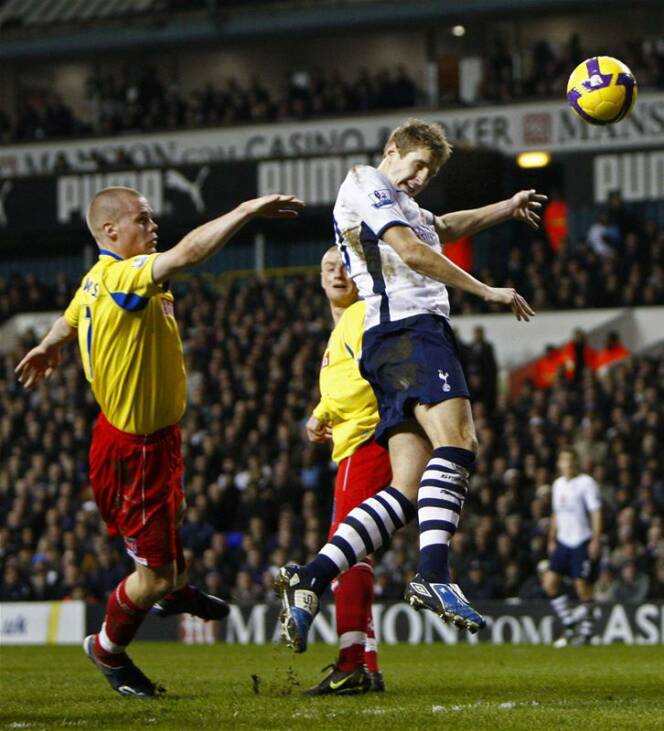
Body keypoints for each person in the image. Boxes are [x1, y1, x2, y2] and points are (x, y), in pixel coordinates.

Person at [15, 186, 302, 697]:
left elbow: (73, 312)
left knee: (175, 524)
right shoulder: (125, 276)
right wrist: (242, 209)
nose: (153, 228)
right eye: (143, 220)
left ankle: (175, 589)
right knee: (152, 574)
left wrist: (47, 344)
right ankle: (107, 648)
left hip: (158, 439)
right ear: (111, 232)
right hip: (135, 449)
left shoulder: (96, 281)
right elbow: (187, 254)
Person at [277, 117, 544, 653]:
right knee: (459, 441)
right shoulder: (365, 181)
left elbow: (440, 228)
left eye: (430, 170)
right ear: (391, 150)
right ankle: (434, 573)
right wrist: (486, 290)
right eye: (417, 163)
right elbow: (414, 250)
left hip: (391, 340)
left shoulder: (401, 202)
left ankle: (311, 575)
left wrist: (506, 207)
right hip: (410, 330)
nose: (420, 176)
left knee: (403, 488)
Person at [304, 246, 393, 695]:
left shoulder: (362, 315)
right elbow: (345, 380)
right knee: (357, 553)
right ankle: (367, 664)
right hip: (355, 444)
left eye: (345, 267)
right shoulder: (343, 326)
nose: (337, 274)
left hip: (365, 440)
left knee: (346, 553)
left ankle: (350, 664)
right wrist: (320, 413)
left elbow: (367, 381)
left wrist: (326, 412)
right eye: (328, 268)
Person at [542, 447, 603, 647]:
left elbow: (595, 512)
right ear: (559, 464)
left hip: (581, 541)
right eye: (564, 460)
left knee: (582, 587)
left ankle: (587, 632)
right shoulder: (558, 484)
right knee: (549, 583)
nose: (568, 464)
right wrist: (551, 538)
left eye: (571, 460)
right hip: (563, 541)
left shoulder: (587, 483)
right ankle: (569, 623)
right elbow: (556, 514)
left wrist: (595, 539)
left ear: (577, 462)